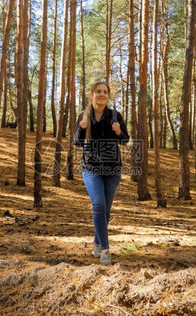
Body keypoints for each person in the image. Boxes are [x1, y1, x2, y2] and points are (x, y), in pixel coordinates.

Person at [73, 81, 129, 265]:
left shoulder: (115, 115)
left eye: (105, 92)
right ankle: (105, 249)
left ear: (108, 96)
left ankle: (97, 244)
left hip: (112, 169)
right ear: (92, 94)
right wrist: (81, 129)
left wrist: (119, 131)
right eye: (98, 91)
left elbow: (125, 140)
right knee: (98, 204)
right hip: (90, 168)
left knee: (105, 209)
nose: (102, 94)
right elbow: (76, 142)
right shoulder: (84, 115)